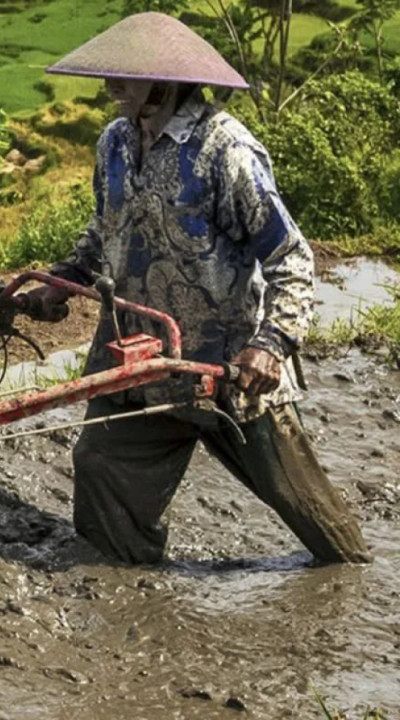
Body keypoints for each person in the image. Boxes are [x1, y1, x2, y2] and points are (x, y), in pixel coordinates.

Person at [22, 12, 371, 565]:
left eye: (126, 76)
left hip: (225, 371)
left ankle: (355, 582)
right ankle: (129, 595)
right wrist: (62, 281)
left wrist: (270, 343)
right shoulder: (114, 143)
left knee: (315, 520)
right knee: (100, 470)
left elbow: (290, 257)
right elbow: (104, 231)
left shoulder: (224, 151)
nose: (110, 86)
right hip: (137, 360)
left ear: (166, 83)